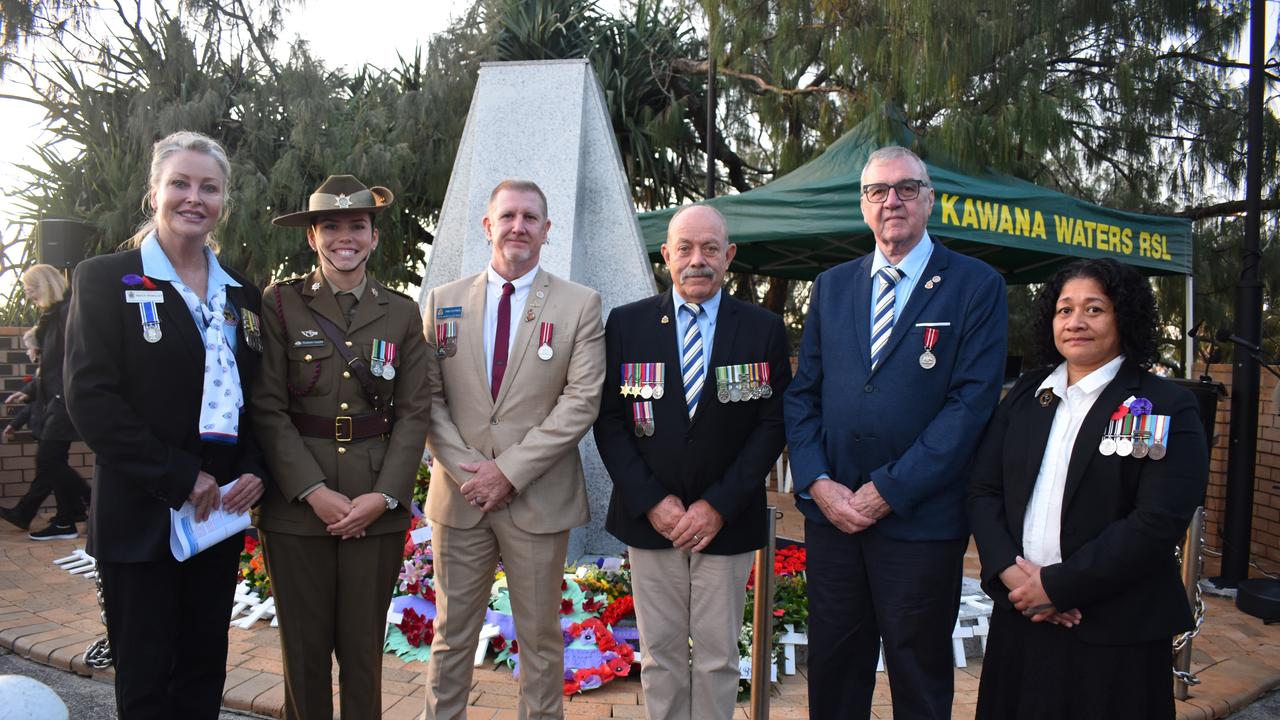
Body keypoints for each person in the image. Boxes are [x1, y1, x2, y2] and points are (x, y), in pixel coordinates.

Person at [784, 145, 1008, 719]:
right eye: (877, 191)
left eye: (906, 188)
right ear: (863, 205)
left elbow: (969, 408)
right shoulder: (831, 286)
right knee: (833, 671)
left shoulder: (975, 286)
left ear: (930, 200)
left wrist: (888, 490)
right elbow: (803, 395)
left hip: (920, 523)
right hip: (832, 521)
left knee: (919, 674)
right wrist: (817, 482)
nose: (892, 201)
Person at [64, 130, 265, 719]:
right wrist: (181, 477)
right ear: (154, 191)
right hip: (143, 515)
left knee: (203, 669)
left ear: (224, 200)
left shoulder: (242, 295)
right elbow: (90, 398)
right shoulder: (107, 278)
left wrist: (253, 470)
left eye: (210, 187)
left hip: (217, 517)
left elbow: (256, 399)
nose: (194, 198)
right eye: (180, 183)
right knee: (147, 679)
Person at [967, 258, 1206, 719]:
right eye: (1064, 309)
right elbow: (982, 489)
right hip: (1023, 620)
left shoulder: (1162, 404)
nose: (1076, 322)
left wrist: (1058, 587)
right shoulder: (1027, 394)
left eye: (1094, 309)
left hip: (1116, 633)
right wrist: (1015, 579)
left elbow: (1156, 521)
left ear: (1124, 317)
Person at [593, 204, 790, 720]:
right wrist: (652, 501)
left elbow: (774, 424)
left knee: (719, 658)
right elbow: (609, 421)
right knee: (660, 658)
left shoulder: (763, 329)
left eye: (709, 248)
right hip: (651, 519)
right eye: (685, 248)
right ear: (666, 256)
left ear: (729, 255)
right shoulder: (628, 323)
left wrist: (718, 505)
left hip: (726, 520)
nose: (697, 260)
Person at [421, 179, 605, 720]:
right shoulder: (443, 301)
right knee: (451, 636)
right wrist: (468, 472)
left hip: (537, 498)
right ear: (488, 226)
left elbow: (581, 401)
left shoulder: (580, 305)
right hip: (460, 500)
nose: (518, 226)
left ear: (547, 230)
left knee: (541, 641)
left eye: (530, 217)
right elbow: (428, 399)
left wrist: (509, 472)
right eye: (508, 216)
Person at [252, 175, 431, 720]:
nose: (343, 237)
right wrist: (311, 490)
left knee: (361, 653)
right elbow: (267, 407)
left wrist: (385, 496)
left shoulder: (401, 312)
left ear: (374, 237)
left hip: (373, 503)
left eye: (357, 225)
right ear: (312, 237)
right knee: (304, 654)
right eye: (330, 226)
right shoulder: (281, 303)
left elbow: (414, 412)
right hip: (297, 508)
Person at [0, 265, 92, 540]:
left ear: (45, 285)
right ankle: (67, 518)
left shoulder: (65, 314)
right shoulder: (53, 316)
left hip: (64, 401)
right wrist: (29, 392)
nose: (29, 296)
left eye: (31, 290)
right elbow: (50, 368)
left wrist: (60, 396)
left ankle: (87, 504)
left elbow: (75, 361)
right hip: (56, 400)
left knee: (49, 459)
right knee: (52, 460)